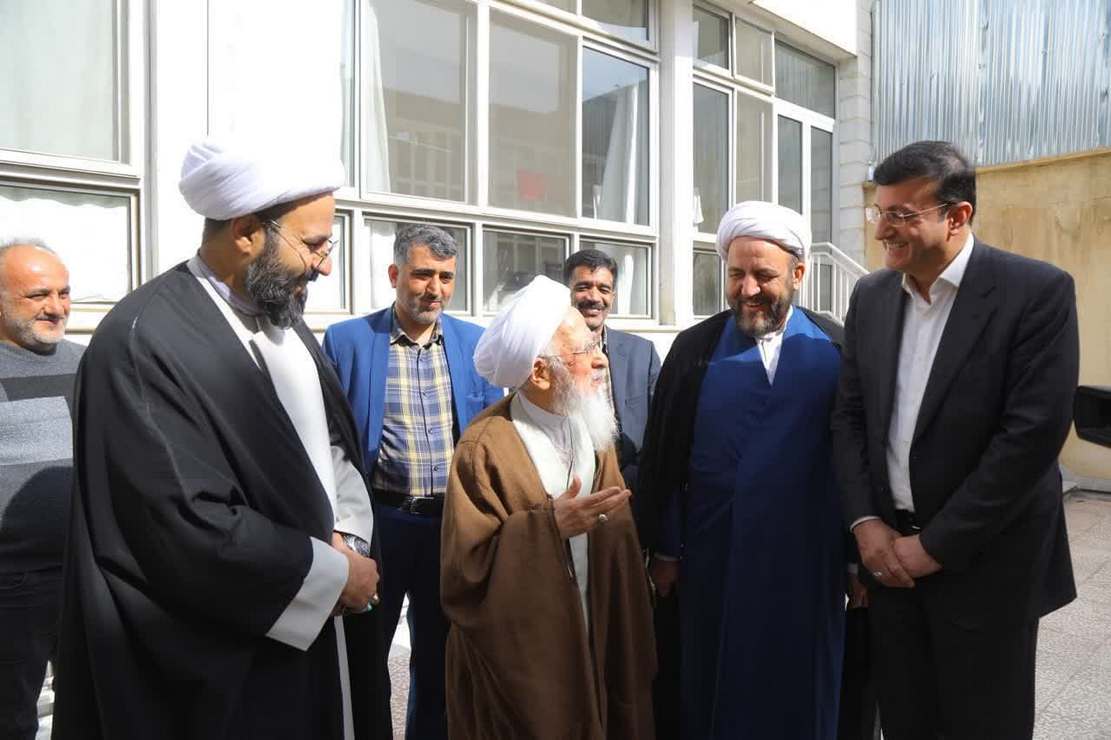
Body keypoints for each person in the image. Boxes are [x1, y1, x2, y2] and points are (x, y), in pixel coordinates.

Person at [52, 138, 390, 740]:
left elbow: (335, 448)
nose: (325, 265)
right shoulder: (142, 342)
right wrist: (332, 576)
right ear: (245, 232)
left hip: (319, 617)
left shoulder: (282, 316)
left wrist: (349, 538)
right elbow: (183, 524)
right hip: (225, 659)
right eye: (314, 244)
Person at [831, 140, 1079, 739]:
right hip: (891, 564)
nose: (882, 230)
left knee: (984, 724)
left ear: (957, 215)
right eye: (879, 212)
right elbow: (850, 417)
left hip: (988, 567)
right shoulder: (871, 296)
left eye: (901, 214)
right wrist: (866, 524)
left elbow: (1030, 438)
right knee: (906, 721)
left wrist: (936, 545)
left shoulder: (1035, 293)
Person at [637, 201, 847, 739]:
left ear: (798, 274)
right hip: (715, 556)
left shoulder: (836, 346)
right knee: (715, 684)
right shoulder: (695, 349)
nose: (747, 289)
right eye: (736, 274)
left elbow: (854, 458)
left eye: (763, 275)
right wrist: (666, 549)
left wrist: (854, 558)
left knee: (800, 687)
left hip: (807, 562)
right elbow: (667, 457)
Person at [440, 275, 655, 739]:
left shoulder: (592, 430)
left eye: (596, 345)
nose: (601, 360)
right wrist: (547, 528)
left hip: (597, 633)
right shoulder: (484, 447)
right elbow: (464, 577)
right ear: (539, 372)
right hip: (529, 667)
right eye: (584, 351)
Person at [323, 223, 501, 739]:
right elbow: (327, 439)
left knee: (443, 659)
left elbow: (490, 434)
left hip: (452, 526)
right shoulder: (349, 341)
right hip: (380, 524)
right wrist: (336, 530)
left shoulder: (475, 344)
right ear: (395, 274)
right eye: (423, 274)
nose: (435, 288)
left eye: (446, 277)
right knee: (366, 654)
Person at [0, 240, 81, 740]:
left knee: (93, 708)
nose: (56, 307)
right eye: (38, 295)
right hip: (11, 584)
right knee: (10, 717)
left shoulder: (92, 363)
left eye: (64, 293)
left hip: (89, 574)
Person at [562, 249, 660, 492]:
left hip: (630, 492)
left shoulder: (642, 353)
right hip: (567, 492)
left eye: (603, 289)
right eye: (583, 287)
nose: (594, 297)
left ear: (612, 297)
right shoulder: (543, 354)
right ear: (567, 292)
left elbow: (660, 429)